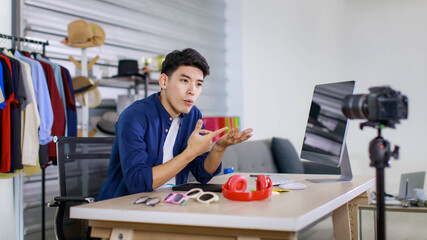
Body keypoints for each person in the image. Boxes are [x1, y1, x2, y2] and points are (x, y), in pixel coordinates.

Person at [97, 48, 253, 200]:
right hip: (124, 206)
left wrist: (219, 148)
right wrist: (190, 152)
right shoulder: (134, 116)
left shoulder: (193, 115)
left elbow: (202, 174)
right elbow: (138, 183)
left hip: (171, 202)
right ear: (164, 81)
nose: (192, 91)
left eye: (198, 84)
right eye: (185, 81)